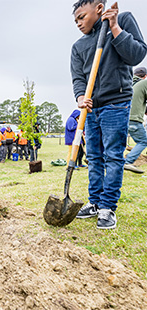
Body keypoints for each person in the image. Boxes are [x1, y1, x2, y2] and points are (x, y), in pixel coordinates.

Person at [71, 0, 147, 229]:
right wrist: (79, 98)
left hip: (116, 103)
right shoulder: (78, 46)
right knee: (93, 157)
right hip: (91, 108)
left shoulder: (122, 20)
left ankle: (107, 207)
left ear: (99, 9)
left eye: (82, 16)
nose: (78, 23)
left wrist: (114, 27)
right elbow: (78, 79)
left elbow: (136, 56)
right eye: (75, 20)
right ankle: (95, 202)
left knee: (113, 156)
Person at [124, 67, 147, 174]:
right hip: (134, 119)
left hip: (121, 118)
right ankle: (128, 161)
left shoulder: (127, 83)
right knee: (143, 141)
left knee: (118, 143)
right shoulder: (144, 83)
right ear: (145, 76)